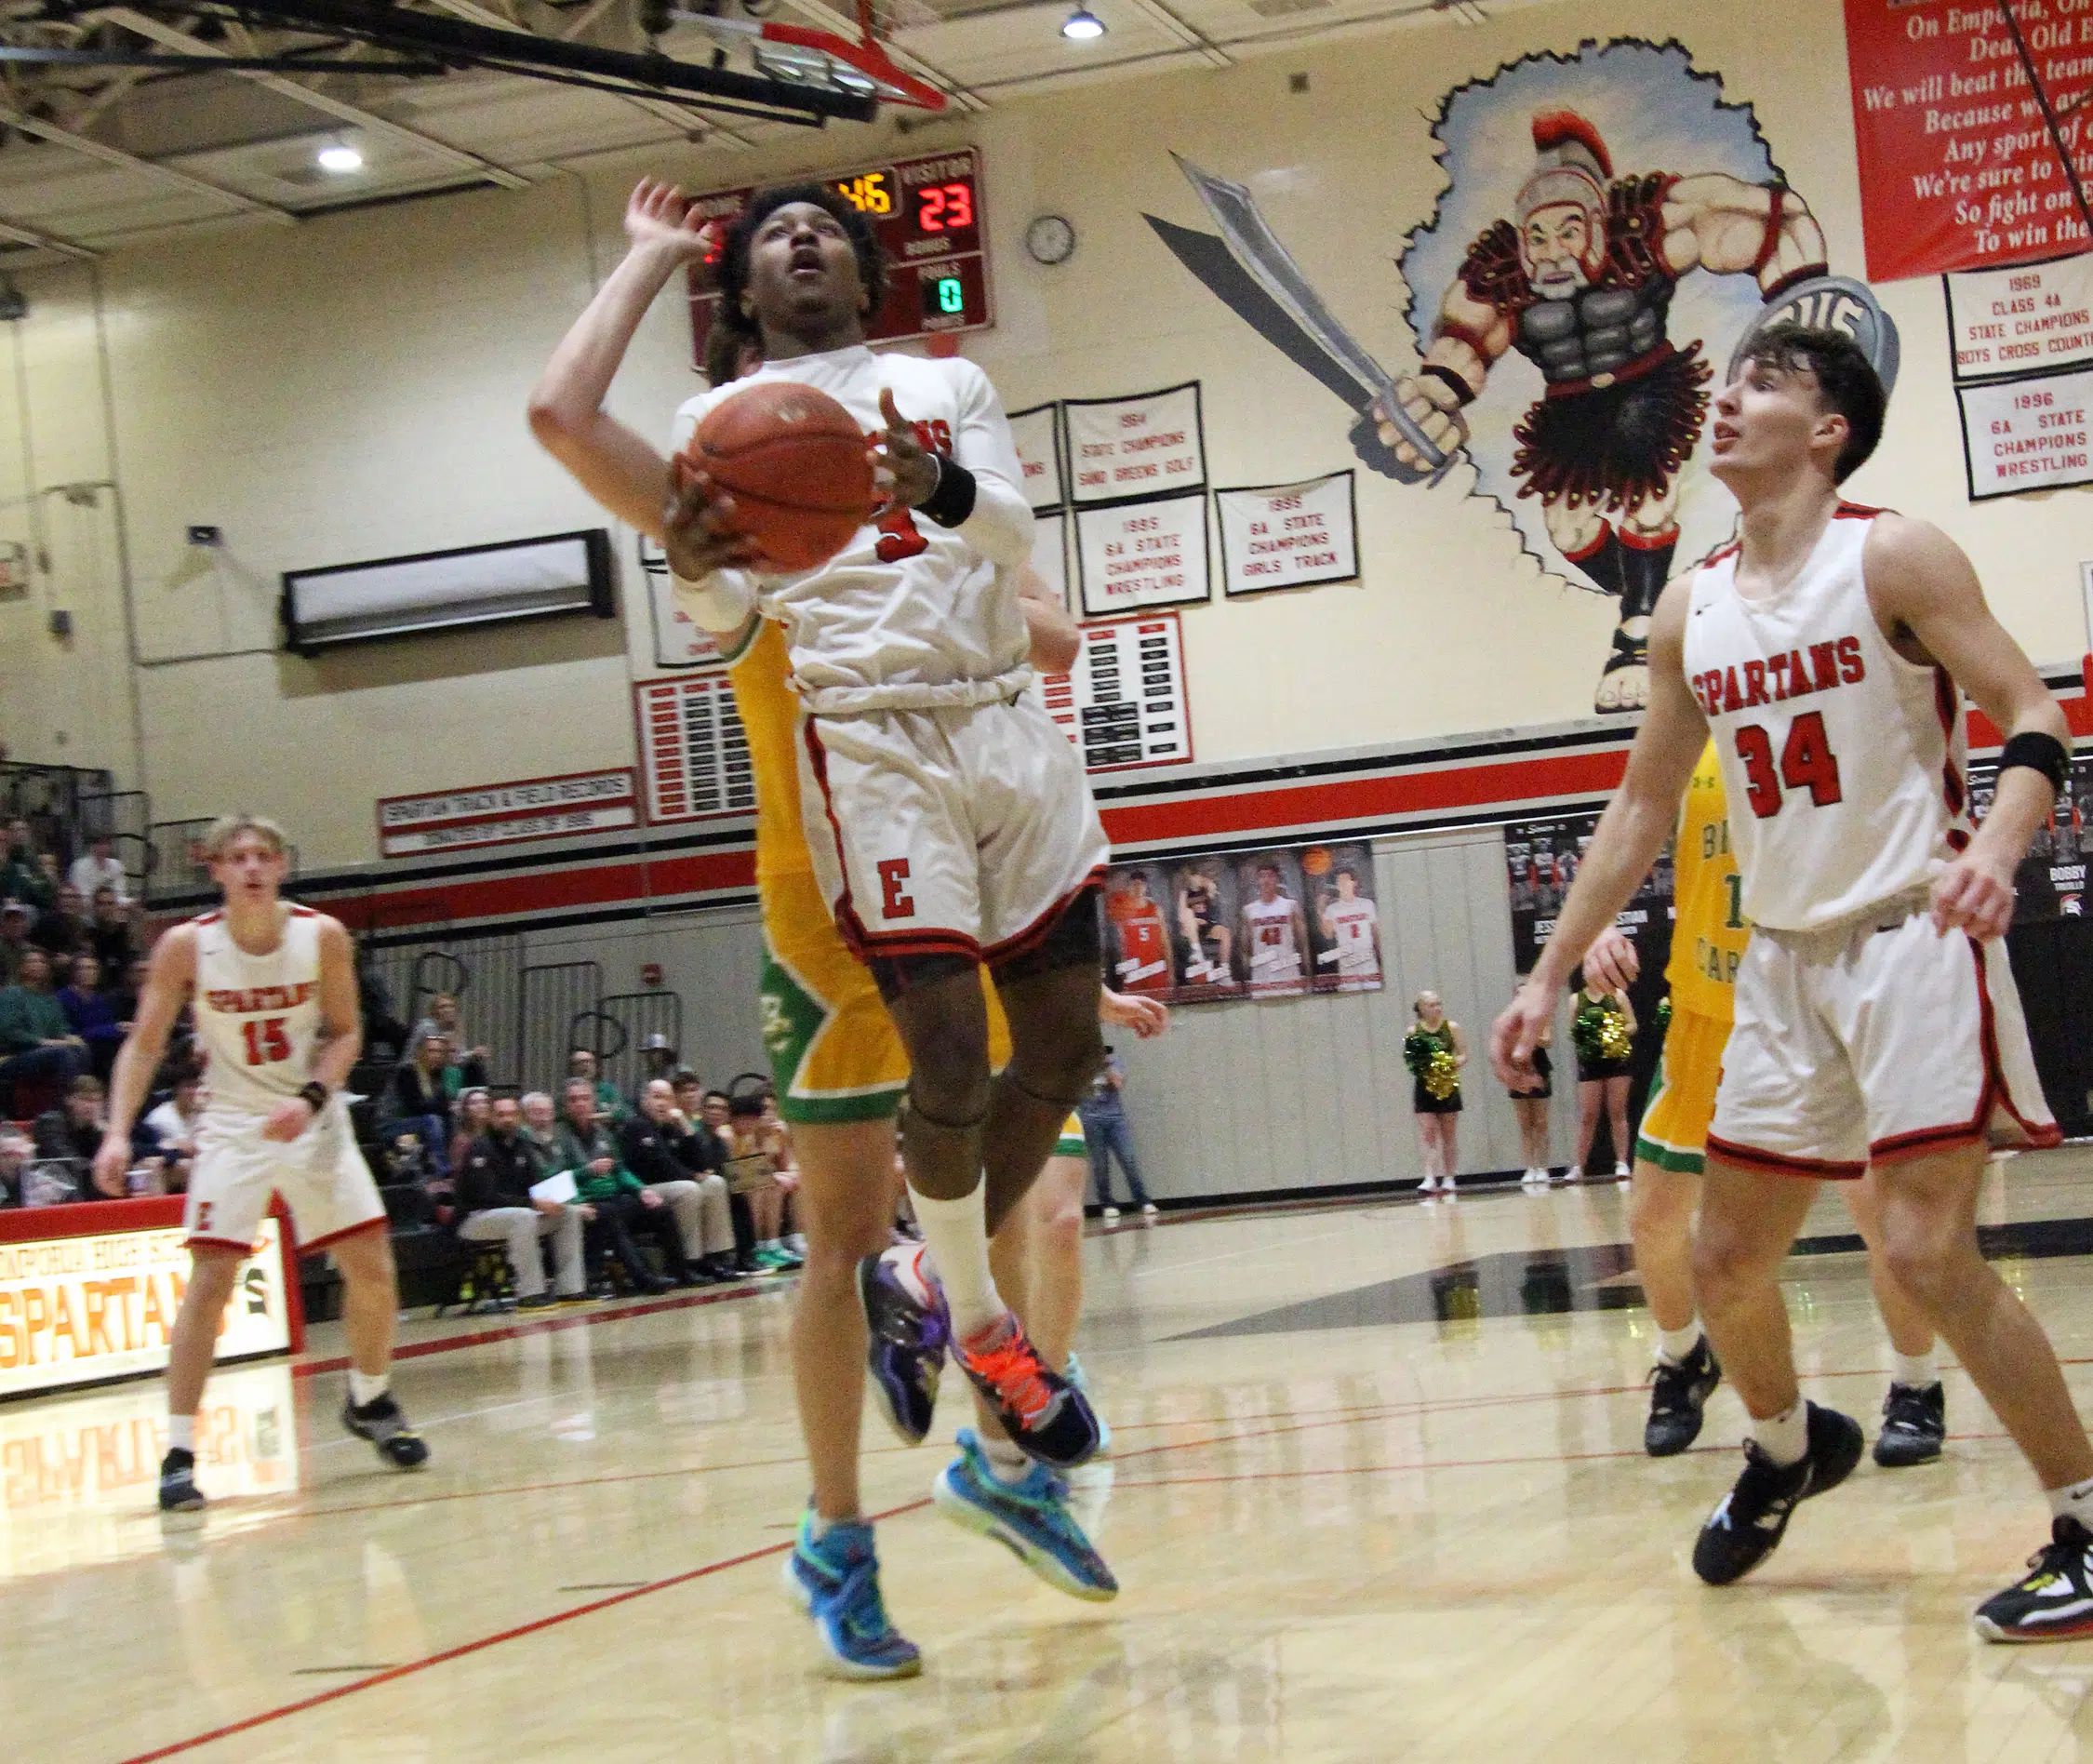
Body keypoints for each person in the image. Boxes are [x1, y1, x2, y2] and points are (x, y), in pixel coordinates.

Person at [528, 176, 1116, 1679]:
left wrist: (957, 529)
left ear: (876, 268)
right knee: (845, 1239)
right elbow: (562, 419)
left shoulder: (937, 393)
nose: (805, 243)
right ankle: (837, 1538)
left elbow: (1043, 615)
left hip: (972, 807)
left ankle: (998, 1452)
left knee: (1034, 1186)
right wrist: (651, 261)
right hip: (829, 874)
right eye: (768, 238)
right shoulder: (712, 457)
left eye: (831, 229)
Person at [1491, 322, 2091, 1638]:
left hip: (1910, 932)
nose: (1729, 400)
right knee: (1717, 1261)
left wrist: (1995, 843)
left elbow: (2032, 713)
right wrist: (1541, 974)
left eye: (1766, 382)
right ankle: (1780, 1449)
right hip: (1779, 958)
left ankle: (2084, 1526)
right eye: (1733, 379)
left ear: (1829, 431)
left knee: (1924, 1248)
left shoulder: (1893, 553)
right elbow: (1638, 806)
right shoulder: (1686, 607)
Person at [1585, 745, 1947, 1464]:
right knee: (1654, 1217)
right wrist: (1595, 926)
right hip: (1708, 1009)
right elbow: (1629, 816)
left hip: (1821, 1003)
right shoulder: (1693, 720)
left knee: (1885, 1222)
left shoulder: (1832, 709)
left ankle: (1915, 1385)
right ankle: (1683, 1357)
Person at [92, 812, 427, 1511]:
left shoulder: (322, 935)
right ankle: (179, 1452)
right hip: (234, 1123)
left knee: (372, 1266)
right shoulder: (187, 947)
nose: (250, 867)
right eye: (236, 857)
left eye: (263, 856)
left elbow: (346, 1034)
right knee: (211, 1279)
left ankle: (370, 1400)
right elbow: (146, 1044)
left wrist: (308, 1100)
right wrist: (117, 1132)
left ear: (280, 867)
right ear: (213, 868)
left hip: (309, 1113)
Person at [553, 1076, 698, 1292]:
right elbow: (553, 1182)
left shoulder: (603, 1134)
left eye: (585, 1098)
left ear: (594, 1102)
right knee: (611, 1216)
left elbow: (620, 1170)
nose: (580, 1104)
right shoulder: (558, 1137)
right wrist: (586, 1174)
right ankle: (643, 1278)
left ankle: (681, 1272)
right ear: (565, 1105)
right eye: (574, 1100)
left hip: (615, 1197)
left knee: (660, 1209)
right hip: (586, 1203)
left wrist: (642, 1190)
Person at [456, 1094, 588, 1308]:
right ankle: (530, 1294)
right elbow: (486, 1197)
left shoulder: (522, 1145)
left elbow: (537, 1185)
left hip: (516, 1215)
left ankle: (570, 1289)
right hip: (475, 1219)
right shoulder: (480, 1147)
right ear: (491, 1118)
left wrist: (559, 1202)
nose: (507, 1119)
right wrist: (534, 1204)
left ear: (519, 1117)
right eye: (501, 1115)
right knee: (523, 1216)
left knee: (569, 1214)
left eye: (511, 1114)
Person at [622, 1078, 738, 1280]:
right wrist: (692, 1175)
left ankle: (715, 1256)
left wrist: (685, 1125)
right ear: (644, 1100)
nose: (662, 1103)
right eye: (656, 1097)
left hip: (672, 1185)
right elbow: (660, 1164)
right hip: (643, 1189)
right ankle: (686, 1261)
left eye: (667, 1098)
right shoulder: (637, 1125)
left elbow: (703, 1163)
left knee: (715, 1183)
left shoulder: (670, 1126)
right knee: (689, 1189)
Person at [1567, 979, 1636, 1183]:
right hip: (1591, 1061)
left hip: (1616, 1059)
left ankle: (1622, 1163)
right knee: (1588, 1115)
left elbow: (1633, 1024)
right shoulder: (1576, 999)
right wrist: (1586, 1033)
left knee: (1617, 1112)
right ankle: (1579, 1166)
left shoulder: (1617, 996)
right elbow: (1571, 1030)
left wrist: (1615, 1031)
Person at [1076, 1045, 1155, 1222]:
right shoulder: (1079, 1066)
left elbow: (1119, 1083)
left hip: (1115, 1119)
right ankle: (1107, 1203)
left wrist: (1106, 1066)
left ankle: (1142, 1200)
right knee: (1100, 1164)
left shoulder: (1113, 1063)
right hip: (1091, 1119)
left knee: (1128, 1159)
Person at [0, 946, 87, 1096]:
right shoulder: (11, 994)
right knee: (62, 1053)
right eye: (32, 961)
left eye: (41, 961)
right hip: (14, 1056)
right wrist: (43, 1042)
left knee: (81, 1049)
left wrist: (71, 1038)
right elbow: (8, 1031)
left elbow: (60, 1029)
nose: (37, 964)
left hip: (45, 1053)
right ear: (22, 968)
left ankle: (80, 1101)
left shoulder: (50, 999)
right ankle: (63, 1105)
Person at [1408, 992, 1467, 1196]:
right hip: (1425, 1087)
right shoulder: (1413, 1031)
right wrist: (1426, 1068)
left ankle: (1449, 1177)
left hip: (1447, 1086)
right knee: (1428, 1133)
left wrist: (1449, 1065)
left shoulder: (1451, 1028)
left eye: (1439, 1004)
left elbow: (1463, 1054)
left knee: (1448, 1134)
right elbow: (1411, 1061)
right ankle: (1429, 1177)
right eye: (1432, 1005)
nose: (1437, 1008)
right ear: (1422, 1008)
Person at [385, 1032, 456, 1176]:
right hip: (392, 1124)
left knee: (449, 1118)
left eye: (439, 1052)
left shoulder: (437, 1075)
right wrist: (446, 1107)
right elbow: (415, 1107)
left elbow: (442, 1105)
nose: (435, 1055)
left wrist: (449, 1108)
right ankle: (442, 1168)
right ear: (420, 1052)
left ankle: (452, 1162)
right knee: (433, 1120)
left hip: (417, 1122)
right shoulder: (407, 1072)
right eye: (431, 1051)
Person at [1505, 986, 1554, 1186]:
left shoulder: (1540, 1017)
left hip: (1539, 1068)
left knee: (1541, 1122)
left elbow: (1547, 1041)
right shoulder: (1509, 1021)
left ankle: (1543, 1167)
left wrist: (1530, 1036)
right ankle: (1530, 1167)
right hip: (1518, 1070)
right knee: (1525, 1123)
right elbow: (1505, 1043)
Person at [56, 950, 126, 1080]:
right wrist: (114, 1028)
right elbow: (69, 1031)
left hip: (103, 1045)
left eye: (92, 968)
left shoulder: (100, 999)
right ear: (73, 972)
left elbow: (108, 1024)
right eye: (82, 968)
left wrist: (120, 1028)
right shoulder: (62, 997)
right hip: (78, 1046)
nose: (88, 972)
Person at [1240, 862, 1308, 992]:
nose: (1266, 880)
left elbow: (1303, 944)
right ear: (1257, 880)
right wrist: (1246, 980)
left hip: (1289, 974)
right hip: (1261, 977)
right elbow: (1245, 949)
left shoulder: (1291, 906)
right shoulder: (1249, 910)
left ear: (1277, 879)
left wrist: (1308, 977)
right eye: (1262, 876)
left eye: (1270, 876)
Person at [1316, 865, 1382, 990]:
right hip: (1348, 966)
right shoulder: (1332, 909)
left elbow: (1376, 934)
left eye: (1346, 880)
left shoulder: (1367, 904)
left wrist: (1381, 963)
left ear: (1354, 882)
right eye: (1340, 881)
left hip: (1369, 964)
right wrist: (1321, 911)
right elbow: (1328, 934)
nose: (1343, 884)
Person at [1106, 874, 1173, 996]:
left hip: (1155, 968)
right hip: (1134, 969)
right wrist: (1123, 973)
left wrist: (1171, 972)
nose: (1138, 888)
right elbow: (1121, 944)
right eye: (1134, 884)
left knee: (1159, 1004)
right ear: (1128, 887)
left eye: (1141, 884)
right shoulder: (1122, 910)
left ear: (1146, 887)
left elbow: (1165, 942)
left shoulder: (1155, 909)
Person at [141, 1067, 204, 1194]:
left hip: (185, 1159)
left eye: (197, 1087)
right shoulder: (162, 1116)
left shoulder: (198, 1112)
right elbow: (192, 1148)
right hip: (164, 1164)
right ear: (177, 1090)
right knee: (190, 1167)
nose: (194, 1092)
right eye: (188, 1087)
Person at [1175, 866, 1233, 989]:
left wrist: (1207, 884)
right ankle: (1197, 952)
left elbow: (1212, 893)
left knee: (1224, 932)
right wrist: (1185, 892)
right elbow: (1181, 916)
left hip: (1207, 926)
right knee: (1188, 915)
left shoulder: (1206, 888)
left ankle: (1224, 970)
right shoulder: (1185, 893)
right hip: (1190, 929)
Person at [1, 819, 53, 910]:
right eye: (15, 830)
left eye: (23, 830)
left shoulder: (35, 861)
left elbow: (42, 892)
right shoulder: (5, 862)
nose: (19, 834)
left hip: (30, 908)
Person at [567, 1047, 627, 1125]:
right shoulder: (567, 1091)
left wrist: (592, 1117)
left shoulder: (607, 1089)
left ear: (596, 1067)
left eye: (589, 1062)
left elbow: (623, 1112)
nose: (586, 1065)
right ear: (573, 1067)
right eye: (580, 1062)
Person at [87, 887, 137, 976]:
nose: (106, 908)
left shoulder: (125, 932)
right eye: (101, 904)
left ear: (116, 906)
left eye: (110, 904)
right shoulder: (88, 934)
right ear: (94, 907)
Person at [68, 835, 127, 905]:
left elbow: (120, 892)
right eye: (99, 844)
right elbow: (82, 894)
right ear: (92, 847)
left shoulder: (117, 865)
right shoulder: (79, 866)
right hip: (87, 906)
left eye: (106, 844)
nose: (103, 848)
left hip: (112, 905)